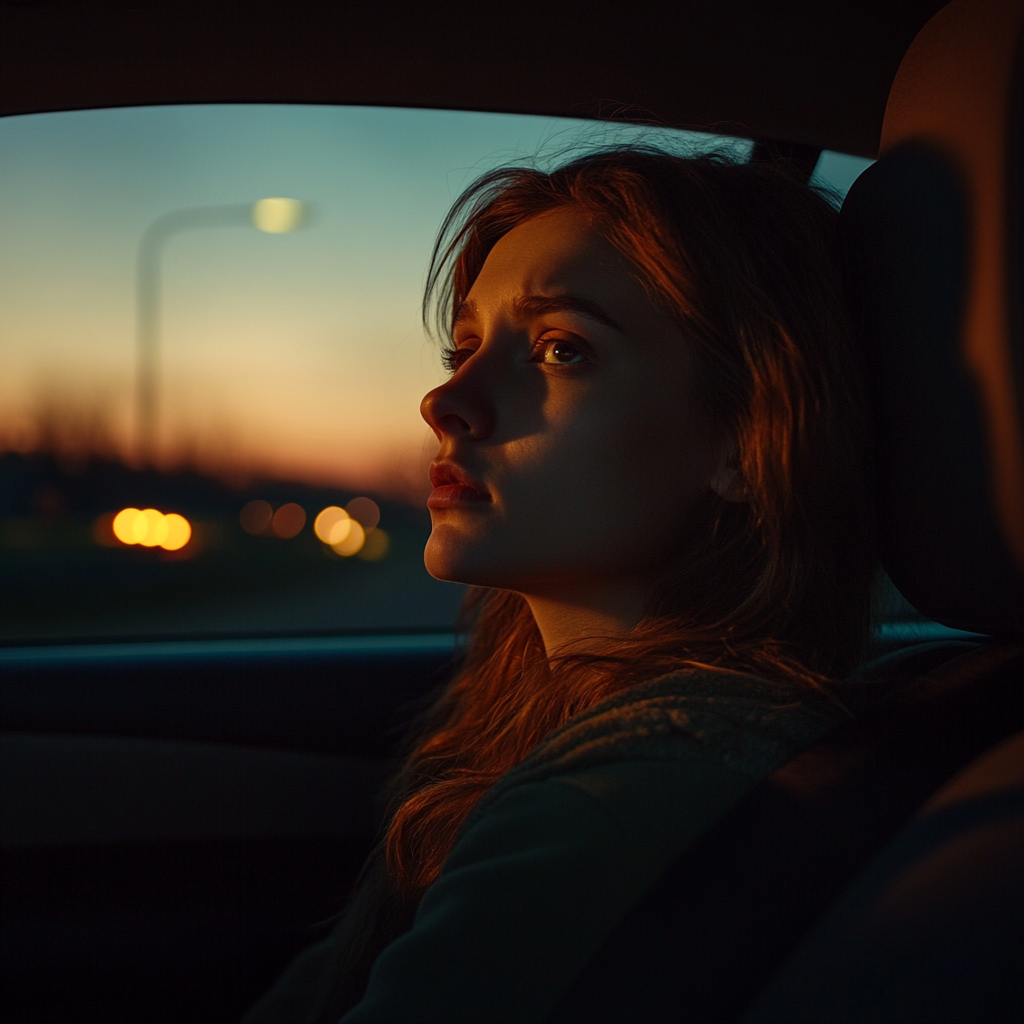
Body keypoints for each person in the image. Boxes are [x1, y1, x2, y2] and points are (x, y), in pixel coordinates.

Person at [244, 146, 875, 1024]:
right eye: (464, 345)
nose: (446, 399)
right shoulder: (544, 723)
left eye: (560, 348)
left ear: (743, 439)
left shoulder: (631, 790)